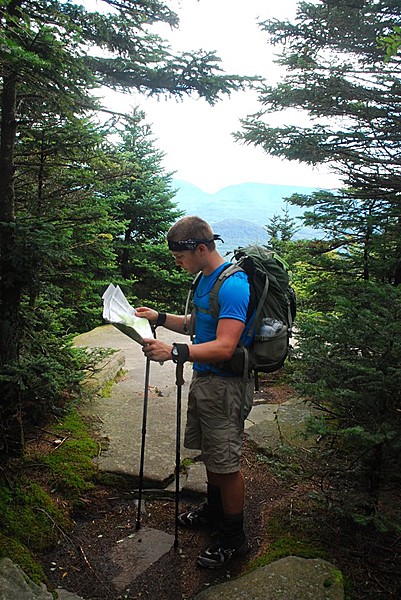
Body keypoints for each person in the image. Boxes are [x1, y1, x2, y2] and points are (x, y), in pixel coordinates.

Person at [136, 215, 254, 569]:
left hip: (227, 385)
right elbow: (197, 325)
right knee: (212, 455)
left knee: (226, 462)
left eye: (180, 257)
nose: (177, 263)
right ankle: (215, 512)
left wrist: (175, 352)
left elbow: (225, 346)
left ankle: (234, 540)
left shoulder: (233, 286)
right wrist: (159, 317)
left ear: (201, 248)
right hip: (207, 381)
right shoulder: (205, 279)